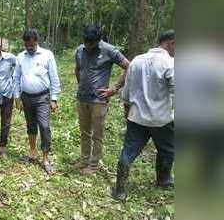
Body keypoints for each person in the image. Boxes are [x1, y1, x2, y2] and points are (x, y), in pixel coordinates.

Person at [113, 29, 175, 200]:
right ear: (172, 42)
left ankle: (120, 189)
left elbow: (126, 92)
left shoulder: (136, 61)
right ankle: (163, 178)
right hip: (161, 119)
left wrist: (127, 111)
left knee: (128, 151)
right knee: (169, 150)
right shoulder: (170, 63)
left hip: (137, 117)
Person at [74, 24, 130, 175]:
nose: (88, 46)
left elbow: (128, 66)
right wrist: (82, 86)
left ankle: (93, 164)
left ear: (98, 40)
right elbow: (78, 69)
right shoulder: (79, 50)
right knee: (84, 132)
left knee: (97, 134)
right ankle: (84, 160)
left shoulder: (109, 50)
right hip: (82, 98)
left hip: (99, 100)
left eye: (91, 43)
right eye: (86, 42)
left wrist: (114, 88)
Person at [14, 28, 61, 174]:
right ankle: (32, 152)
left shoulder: (47, 55)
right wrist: (17, 97)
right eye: (26, 46)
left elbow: (54, 77)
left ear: (36, 42)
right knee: (31, 125)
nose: (29, 48)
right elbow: (16, 78)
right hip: (26, 97)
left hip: (42, 97)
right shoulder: (20, 57)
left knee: (44, 126)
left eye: (31, 46)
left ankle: (45, 158)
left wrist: (54, 98)